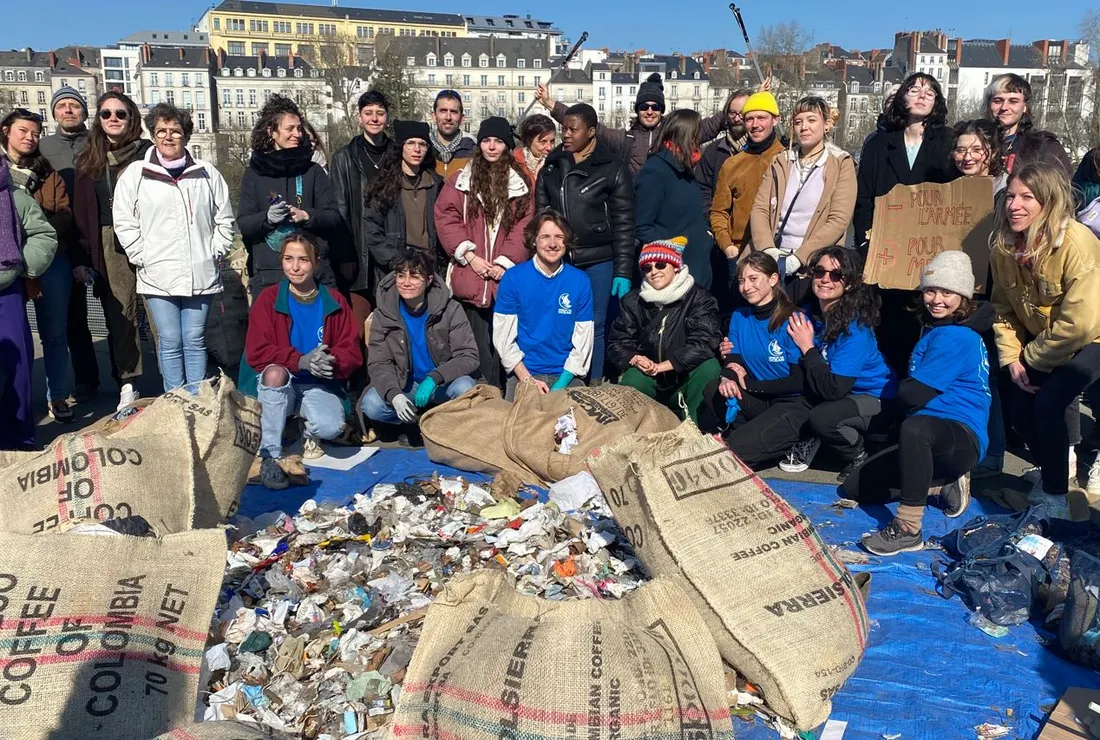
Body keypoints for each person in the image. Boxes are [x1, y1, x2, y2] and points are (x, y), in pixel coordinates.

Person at [842, 251, 990, 555]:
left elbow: (913, 395)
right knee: (856, 488)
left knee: (914, 427)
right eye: (931, 290)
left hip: (960, 435)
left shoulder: (956, 337)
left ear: (963, 297)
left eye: (948, 292)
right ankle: (940, 485)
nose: (937, 299)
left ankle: (909, 528)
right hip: (928, 435)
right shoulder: (936, 330)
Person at [990, 163, 1100, 516]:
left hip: (1092, 337)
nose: (1014, 206)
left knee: (1049, 403)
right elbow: (1002, 308)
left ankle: (1055, 497)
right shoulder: (1003, 247)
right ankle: (1052, 470)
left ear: (1049, 202)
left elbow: (1079, 324)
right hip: (1045, 344)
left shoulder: (1077, 243)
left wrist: (1031, 360)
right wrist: (1011, 358)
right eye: (1010, 196)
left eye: (1027, 197)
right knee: (1021, 412)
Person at [112, 103, 235, 393]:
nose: (168, 137)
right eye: (161, 131)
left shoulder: (206, 173)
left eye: (175, 131)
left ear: (185, 135)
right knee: (169, 340)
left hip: (200, 272)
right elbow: (124, 220)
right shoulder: (136, 173)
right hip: (158, 274)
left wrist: (215, 250)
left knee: (194, 339)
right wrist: (141, 256)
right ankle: (175, 399)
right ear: (152, 135)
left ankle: (196, 398)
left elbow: (225, 218)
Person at [854, 73, 955, 375]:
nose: (922, 95)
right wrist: (864, 242)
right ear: (902, 98)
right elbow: (864, 199)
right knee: (888, 329)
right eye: (914, 89)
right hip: (888, 253)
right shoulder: (879, 144)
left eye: (930, 91)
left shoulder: (949, 142)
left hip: (931, 252)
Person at [245, 232, 362, 489]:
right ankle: (270, 456)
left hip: (317, 384)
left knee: (331, 427)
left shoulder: (335, 301)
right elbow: (256, 352)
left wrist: (331, 362)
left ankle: (307, 432)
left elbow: (352, 352)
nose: (295, 267)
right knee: (274, 373)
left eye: (303, 260)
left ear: (316, 262)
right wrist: (299, 361)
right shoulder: (267, 300)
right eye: (288, 259)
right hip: (280, 385)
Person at [535, 103, 633, 381]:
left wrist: (623, 270)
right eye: (563, 128)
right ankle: (559, 377)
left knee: (595, 323)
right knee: (561, 321)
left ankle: (594, 383)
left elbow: (625, 222)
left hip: (599, 259)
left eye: (572, 129)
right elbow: (541, 216)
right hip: (560, 259)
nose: (565, 134)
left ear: (591, 132)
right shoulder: (552, 166)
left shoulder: (613, 168)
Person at [436, 116, 533, 388]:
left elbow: (524, 225)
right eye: (486, 141)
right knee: (473, 346)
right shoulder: (461, 180)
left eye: (498, 141)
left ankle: (505, 394)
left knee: (504, 342)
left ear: (507, 146)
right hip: (471, 274)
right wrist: (470, 256)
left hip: (505, 278)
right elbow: (447, 217)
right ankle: (480, 398)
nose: (491, 147)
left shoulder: (519, 183)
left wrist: (504, 263)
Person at [784, 247, 897, 479]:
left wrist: (808, 347)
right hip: (842, 394)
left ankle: (859, 453)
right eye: (819, 271)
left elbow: (834, 389)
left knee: (823, 418)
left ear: (850, 284)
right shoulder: (809, 316)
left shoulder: (856, 330)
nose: (826, 279)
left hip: (875, 397)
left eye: (836, 275)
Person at [72, 91, 151, 409]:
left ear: (132, 117)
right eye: (106, 114)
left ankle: (175, 380)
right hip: (108, 239)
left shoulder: (149, 154)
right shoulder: (89, 158)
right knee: (121, 314)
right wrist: (82, 257)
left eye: (120, 113)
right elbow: (79, 214)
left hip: (150, 235)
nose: (113, 118)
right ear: (98, 120)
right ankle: (127, 380)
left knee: (158, 309)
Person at [2, 108, 76, 422]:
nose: (30, 138)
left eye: (35, 133)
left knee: (54, 333)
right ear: (6, 130)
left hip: (46, 258)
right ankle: (17, 400)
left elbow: (63, 215)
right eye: (23, 131)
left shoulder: (47, 173)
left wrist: (28, 230)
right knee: (13, 339)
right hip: (4, 265)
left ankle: (57, 395)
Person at [947, 119, 1008, 479]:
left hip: (990, 295)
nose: (967, 156)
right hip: (955, 295)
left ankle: (993, 452)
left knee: (987, 376)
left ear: (992, 152)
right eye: (960, 149)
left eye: (976, 149)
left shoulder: (1004, 193)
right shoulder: (947, 192)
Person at [237, 94, 344, 297]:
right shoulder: (254, 173)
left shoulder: (313, 171)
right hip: (270, 275)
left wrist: (307, 216)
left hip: (315, 274)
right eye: (290, 129)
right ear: (272, 132)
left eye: (299, 128)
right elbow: (244, 222)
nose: (297, 134)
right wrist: (267, 218)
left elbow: (334, 218)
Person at [607, 237, 721, 428]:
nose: (654, 272)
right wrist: (634, 358)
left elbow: (704, 342)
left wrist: (665, 366)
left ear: (676, 266)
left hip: (684, 376)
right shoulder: (632, 301)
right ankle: (632, 434)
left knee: (709, 367)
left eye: (660, 265)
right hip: (649, 376)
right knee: (632, 378)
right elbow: (617, 342)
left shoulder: (700, 298)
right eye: (647, 268)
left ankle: (697, 432)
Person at [748, 96, 856, 296]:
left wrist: (800, 257)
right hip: (773, 259)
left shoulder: (841, 163)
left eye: (811, 120)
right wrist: (767, 250)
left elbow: (838, 219)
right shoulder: (781, 161)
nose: (804, 127)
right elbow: (760, 208)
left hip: (814, 265)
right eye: (798, 122)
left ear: (826, 125)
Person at [361, 248, 479, 426]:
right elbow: (379, 362)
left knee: (466, 388)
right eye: (401, 276)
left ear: (429, 280)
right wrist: (395, 394)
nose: (406, 282)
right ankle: (413, 424)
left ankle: (443, 424)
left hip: (442, 383)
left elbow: (468, 356)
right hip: (406, 385)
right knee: (371, 405)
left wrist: (435, 377)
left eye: (414, 276)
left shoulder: (451, 309)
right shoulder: (382, 314)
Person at [719, 253, 808, 469]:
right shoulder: (740, 316)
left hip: (792, 401)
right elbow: (734, 357)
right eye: (741, 280)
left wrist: (751, 385)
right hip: (760, 399)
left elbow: (800, 380)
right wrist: (728, 378)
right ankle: (760, 437)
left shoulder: (793, 319)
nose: (746, 287)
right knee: (715, 388)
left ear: (773, 279)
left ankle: (803, 438)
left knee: (734, 453)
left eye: (753, 279)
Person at [537, 73, 725, 174]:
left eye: (655, 107)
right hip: (636, 207)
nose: (650, 111)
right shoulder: (625, 139)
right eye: (644, 106)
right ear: (637, 109)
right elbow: (588, 126)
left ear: (662, 110)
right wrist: (550, 103)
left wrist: (743, 106)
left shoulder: (676, 134)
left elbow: (710, 125)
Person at [493, 209, 593, 399]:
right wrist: (527, 379)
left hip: (567, 375)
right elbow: (503, 339)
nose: (553, 244)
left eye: (559, 237)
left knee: (576, 425)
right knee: (519, 425)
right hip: (524, 373)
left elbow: (583, 341)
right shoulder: (513, 278)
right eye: (545, 237)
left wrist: (562, 383)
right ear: (533, 240)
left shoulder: (580, 280)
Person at [40, 86, 99, 403]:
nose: (68, 110)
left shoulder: (97, 142)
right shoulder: (43, 147)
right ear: (54, 113)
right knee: (73, 316)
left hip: (99, 234)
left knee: (117, 313)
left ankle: (126, 381)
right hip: (63, 238)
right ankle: (86, 380)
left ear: (83, 112)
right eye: (61, 106)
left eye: (73, 105)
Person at [1, 158, 57, 449]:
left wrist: (20, 265)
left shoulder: (12, 195)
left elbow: (43, 235)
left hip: (6, 292)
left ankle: (16, 439)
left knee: (15, 366)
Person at [710, 92, 786, 290]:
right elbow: (719, 211)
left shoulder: (787, 159)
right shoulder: (732, 164)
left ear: (775, 120)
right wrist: (727, 246)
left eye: (762, 117)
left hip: (778, 253)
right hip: (740, 254)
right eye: (749, 119)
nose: (755, 124)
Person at [634, 109, 716, 290]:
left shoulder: (684, 167)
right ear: (686, 134)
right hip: (675, 273)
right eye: (697, 133)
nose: (699, 139)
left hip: (697, 267)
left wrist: (705, 236)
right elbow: (643, 226)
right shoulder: (656, 170)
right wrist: (674, 249)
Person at [330, 90, 392, 323]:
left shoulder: (396, 154)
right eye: (368, 113)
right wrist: (345, 254)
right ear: (359, 117)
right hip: (358, 255)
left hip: (389, 250)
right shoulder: (344, 157)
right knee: (356, 328)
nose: (374, 119)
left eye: (379, 113)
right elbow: (339, 209)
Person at [363, 120, 443, 285]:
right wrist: (396, 261)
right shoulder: (383, 186)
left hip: (430, 267)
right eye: (411, 143)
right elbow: (372, 230)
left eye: (422, 144)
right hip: (395, 269)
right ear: (400, 147)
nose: (417, 149)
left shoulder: (437, 185)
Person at [984, 74, 1072, 179]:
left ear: (1025, 107)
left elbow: (1065, 190)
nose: (1004, 107)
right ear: (989, 104)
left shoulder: (1044, 147)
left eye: (1013, 101)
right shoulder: (974, 142)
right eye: (998, 101)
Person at [696, 88, 751, 216]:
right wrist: (711, 218)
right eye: (732, 113)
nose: (737, 119)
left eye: (742, 113)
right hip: (717, 223)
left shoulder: (761, 151)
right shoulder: (713, 151)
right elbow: (703, 188)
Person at [429, 90, 477, 179]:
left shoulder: (474, 151)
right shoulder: (424, 150)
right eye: (443, 111)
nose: (448, 117)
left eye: (454, 112)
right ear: (434, 116)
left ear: (462, 118)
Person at [514, 114, 556, 186]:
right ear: (529, 141)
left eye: (552, 141)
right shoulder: (514, 165)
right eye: (543, 142)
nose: (549, 147)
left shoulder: (558, 164)